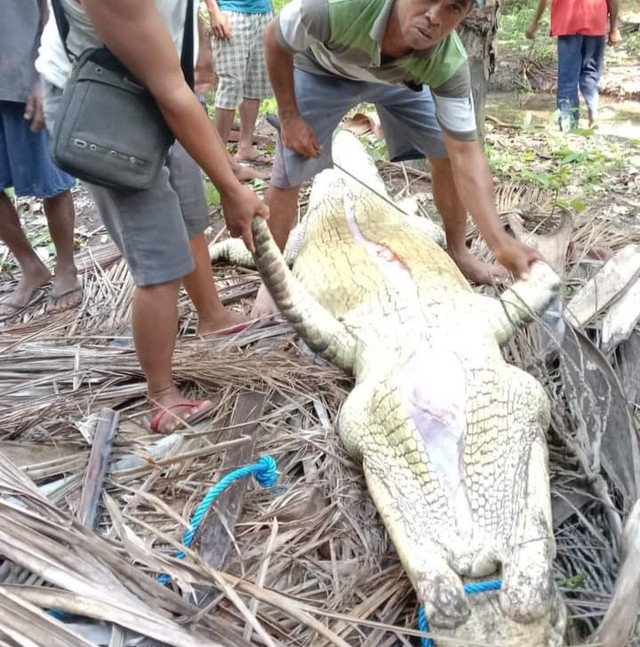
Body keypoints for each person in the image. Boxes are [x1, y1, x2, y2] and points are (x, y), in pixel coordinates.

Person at [36, 0, 269, 433]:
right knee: (159, 253)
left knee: (187, 211)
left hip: (156, 79)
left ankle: (212, 316)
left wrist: (196, 43)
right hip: (104, 93)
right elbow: (171, 92)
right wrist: (232, 188)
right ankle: (161, 395)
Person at [254, 0, 543, 315]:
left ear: (466, 15)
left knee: (446, 151)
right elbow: (274, 37)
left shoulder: (448, 62)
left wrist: (498, 241)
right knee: (288, 170)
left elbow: (466, 155)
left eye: (453, 9)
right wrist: (290, 117)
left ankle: (458, 252)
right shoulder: (334, 8)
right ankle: (271, 281)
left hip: (398, 82)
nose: (434, 16)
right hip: (323, 70)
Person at [0, 0, 82, 321]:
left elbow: (52, 11)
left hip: (24, 79)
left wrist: (42, 73)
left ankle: (66, 266)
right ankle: (30, 265)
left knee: (52, 180)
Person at [526, 0, 621, 130]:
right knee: (590, 74)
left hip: (568, 22)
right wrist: (614, 28)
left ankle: (568, 127)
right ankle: (593, 112)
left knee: (568, 80)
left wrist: (535, 22)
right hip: (595, 20)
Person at [204, 0, 274, 170]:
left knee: (254, 82)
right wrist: (214, 12)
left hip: (263, 13)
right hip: (230, 13)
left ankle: (245, 147)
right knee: (231, 84)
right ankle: (219, 155)